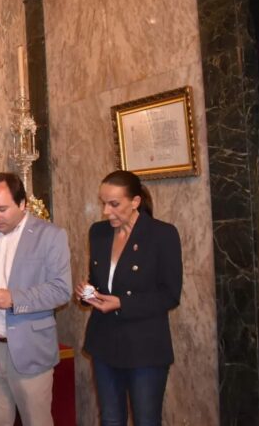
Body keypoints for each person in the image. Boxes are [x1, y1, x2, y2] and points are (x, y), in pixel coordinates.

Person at [0, 172, 71, 426]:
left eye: (2, 209)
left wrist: (14, 299)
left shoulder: (50, 236)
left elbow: (62, 290)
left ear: (22, 204)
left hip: (30, 348)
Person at [75, 170, 182, 426]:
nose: (106, 212)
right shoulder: (98, 232)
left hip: (144, 347)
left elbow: (170, 295)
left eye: (114, 204)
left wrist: (122, 303)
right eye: (103, 203)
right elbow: (99, 279)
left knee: (146, 419)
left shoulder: (162, 234)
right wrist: (87, 293)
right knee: (111, 419)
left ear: (135, 202)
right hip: (104, 343)